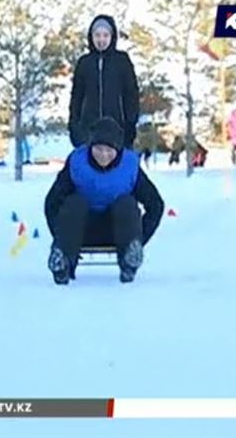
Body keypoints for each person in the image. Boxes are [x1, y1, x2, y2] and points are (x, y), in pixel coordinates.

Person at [44, 117, 164, 284]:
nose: (103, 155)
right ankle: (62, 259)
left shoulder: (130, 166)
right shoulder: (77, 163)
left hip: (119, 232)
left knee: (126, 203)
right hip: (81, 231)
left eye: (109, 150)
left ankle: (130, 257)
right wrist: (60, 238)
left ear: (118, 149)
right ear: (90, 147)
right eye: (98, 149)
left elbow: (155, 205)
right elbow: (52, 202)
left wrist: (140, 239)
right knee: (75, 202)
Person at [68, 15, 140, 150]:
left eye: (105, 35)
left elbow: (131, 95)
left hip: (118, 130)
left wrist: (130, 125)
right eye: (97, 35)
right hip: (88, 132)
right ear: (91, 37)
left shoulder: (122, 61)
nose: (101, 39)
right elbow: (76, 98)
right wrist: (74, 127)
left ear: (112, 37)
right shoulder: (84, 63)